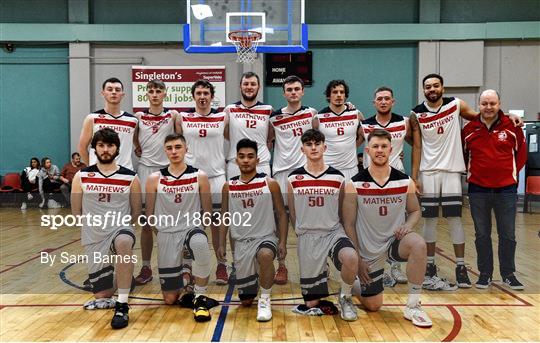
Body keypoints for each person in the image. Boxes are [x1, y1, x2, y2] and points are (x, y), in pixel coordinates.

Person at [343, 129, 431, 327]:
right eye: (375, 146)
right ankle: (356, 284)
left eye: (384, 146)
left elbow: (415, 211)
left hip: (394, 243)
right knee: (374, 306)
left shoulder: (405, 181)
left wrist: (407, 226)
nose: (380, 150)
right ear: (367, 150)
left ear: (391, 149)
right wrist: (358, 259)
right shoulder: (354, 184)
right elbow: (348, 223)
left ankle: (414, 305)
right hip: (369, 250)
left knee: (419, 244)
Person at [71, 128, 141, 329]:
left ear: (117, 148)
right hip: (94, 236)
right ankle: (122, 277)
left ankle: (123, 303)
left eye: (110, 145)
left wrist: (123, 226)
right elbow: (77, 211)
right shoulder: (82, 176)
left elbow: (136, 212)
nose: (105, 149)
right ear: (94, 148)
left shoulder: (130, 177)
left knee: (124, 241)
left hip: (119, 230)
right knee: (102, 295)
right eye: (101, 145)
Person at [287, 129, 359, 321]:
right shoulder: (293, 178)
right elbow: (293, 213)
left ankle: (345, 297)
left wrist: (346, 235)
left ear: (324, 147)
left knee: (351, 257)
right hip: (308, 237)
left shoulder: (338, 177)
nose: (313, 147)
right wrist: (301, 231)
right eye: (309, 144)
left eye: (317, 143)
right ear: (302, 149)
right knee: (311, 304)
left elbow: (343, 211)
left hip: (332, 233)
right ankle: (322, 273)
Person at [145, 133, 214, 321]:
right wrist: (159, 233)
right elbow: (149, 214)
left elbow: (207, 211)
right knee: (170, 299)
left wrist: (199, 231)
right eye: (169, 148)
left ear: (186, 149)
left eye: (178, 147)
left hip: (191, 230)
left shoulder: (199, 176)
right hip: (166, 234)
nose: (174, 151)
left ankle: (199, 294)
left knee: (199, 244)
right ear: (165, 151)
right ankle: (186, 277)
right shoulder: (154, 178)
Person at [462, 90, 526, 290]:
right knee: (482, 234)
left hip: (506, 189)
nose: (488, 107)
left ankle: (508, 274)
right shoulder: (469, 129)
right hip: (478, 189)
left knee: (507, 234)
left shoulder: (513, 126)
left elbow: (521, 156)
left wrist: (509, 176)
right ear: (478, 105)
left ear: (499, 104)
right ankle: (485, 274)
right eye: (484, 103)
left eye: (492, 103)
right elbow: (465, 158)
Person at [218, 138, 288, 321]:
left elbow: (281, 214)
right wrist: (221, 244)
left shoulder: (270, 183)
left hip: (265, 238)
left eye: (250, 156)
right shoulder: (228, 186)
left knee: (265, 255)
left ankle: (265, 298)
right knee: (246, 300)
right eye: (242, 157)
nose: (246, 160)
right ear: (236, 160)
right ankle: (257, 277)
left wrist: (282, 241)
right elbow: (224, 217)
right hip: (241, 244)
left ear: (257, 160)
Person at [358, 86, 412, 285]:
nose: (383, 101)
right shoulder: (364, 124)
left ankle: (395, 266)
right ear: (374, 102)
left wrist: (414, 175)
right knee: (372, 225)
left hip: (395, 180)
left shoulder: (404, 122)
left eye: (387, 98)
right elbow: (349, 144)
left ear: (393, 101)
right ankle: (375, 266)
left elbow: (418, 143)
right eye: (379, 98)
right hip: (369, 181)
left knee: (396, 224)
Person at [177, 79, 229, 285]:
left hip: (216, 177)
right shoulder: (182, 117)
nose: (202, 96)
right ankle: (186, 267)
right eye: (198, 93)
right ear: (193, 96)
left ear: (212, 96)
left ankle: (222, 266)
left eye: (206, 93)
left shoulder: (222, 117)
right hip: (190, 177)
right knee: (187, 225)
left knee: (217, 225)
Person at [268, 75, 318, 285]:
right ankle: (282, 265)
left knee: (307, 220)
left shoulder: (312, 114)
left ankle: (316, 264)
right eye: (289, 89)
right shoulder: (274, 117)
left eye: (297, 89)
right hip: (280, 172)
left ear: (303, 91)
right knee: (280, 220)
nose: (293, 92)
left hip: (303, 173)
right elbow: (268, 141)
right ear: (284, 93)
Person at [133, 79, 179, 286]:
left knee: (172, 219)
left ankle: (176, 263)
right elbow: (134, 138)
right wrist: (138, 147)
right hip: (145, 170)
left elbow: (179, 138)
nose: (154, 94)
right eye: (151, 91)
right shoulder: (139, 117)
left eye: (158, 91)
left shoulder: (173, 115)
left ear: (164, 94)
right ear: (147, 94)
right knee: (146, 222)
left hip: (167, 172)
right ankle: (145, 266)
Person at [78, 77, 138, 170]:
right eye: (110, 89)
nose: (114, 92)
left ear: (122, 94)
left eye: (117, 90)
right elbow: (82, 147)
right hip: (99, 174)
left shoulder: (132, 120)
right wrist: (92, 167)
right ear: (103, 93)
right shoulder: (92, 118)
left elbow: (138, 144)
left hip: (125, 173)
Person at [225, 72, 273, 178]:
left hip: (261, 164)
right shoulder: (230, 109)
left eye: (253, 84)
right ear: (240, 87)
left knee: (263, 194)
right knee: (235, 194)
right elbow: (225, 133)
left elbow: (271, 137)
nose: (249, 87)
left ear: (259, 87)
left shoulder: (268, 110)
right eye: (246, 84)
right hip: (235, 165)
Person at [316, 80, 364, 180]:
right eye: (335, 92)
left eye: (342, 92)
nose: (339, 95)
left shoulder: (356, 114)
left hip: (350, 168)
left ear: (345, 96)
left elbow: (364, 135)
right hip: (327, 168)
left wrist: (353, 146)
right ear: (328, 96)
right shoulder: (318, 117)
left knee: (350, 196)